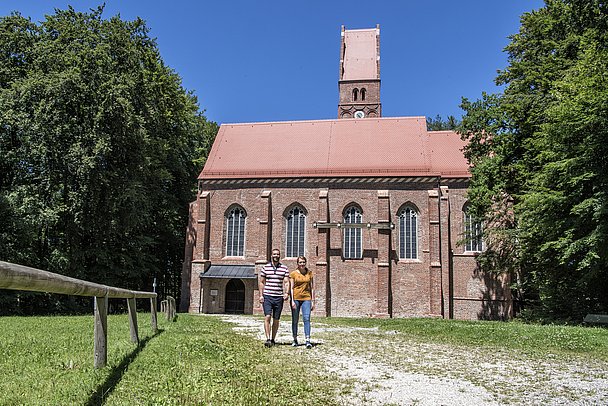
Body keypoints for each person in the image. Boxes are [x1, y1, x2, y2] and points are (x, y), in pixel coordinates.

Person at [259, 248, 290, 347]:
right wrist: (261, 295)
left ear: (279, 256)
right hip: (267, 296)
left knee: (276, 319)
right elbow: (261, 282)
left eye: (278, 254)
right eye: (274, 254)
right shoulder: (265, 267)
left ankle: (273, 339)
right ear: (271, 255)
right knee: (267, 316)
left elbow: (286, 282)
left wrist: (287, 293)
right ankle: (268, 339)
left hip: (278, 296)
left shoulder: (284, 268)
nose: (276, 256)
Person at [290, 256, 314, 349]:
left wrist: (313, 301)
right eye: (300, 262)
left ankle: (307, 340)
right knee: (295, 319)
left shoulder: (310, 273)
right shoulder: (293, 274)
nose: (302, 264)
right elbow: (291, 288)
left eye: (303, 262)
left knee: (306, 318)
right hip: (296, 298)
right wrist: (292, 300)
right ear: (297, 263)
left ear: (306, 263)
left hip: (306, 298)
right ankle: (295, 339)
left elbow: (312, 288)